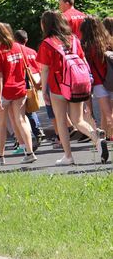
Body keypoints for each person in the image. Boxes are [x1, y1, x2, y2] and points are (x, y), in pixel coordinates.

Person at [37, 10, 108, 165]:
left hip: (58, 87)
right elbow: (83, 60)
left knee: (62, 121)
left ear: (46, 25)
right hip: (76, 83)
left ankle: (68, 156)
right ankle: (96, 138)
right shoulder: (74, 39)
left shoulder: (47, 43)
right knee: (78, 119)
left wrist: (43, 90)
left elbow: (45, 69)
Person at [0, 22, 37, 165]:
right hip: (19, 88)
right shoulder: (19, 47)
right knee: (21, 120)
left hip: (4, 91)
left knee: (2, 124)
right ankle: (29, 152)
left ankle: (1, 156)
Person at [81, 15, 113, 139]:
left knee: (108, 114)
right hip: (111, 79)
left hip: (99, 83)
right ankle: (104, 139)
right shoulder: (108, 41)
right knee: (107, 114)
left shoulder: (86, 45)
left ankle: (104, 139)